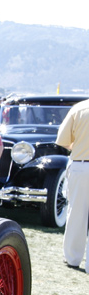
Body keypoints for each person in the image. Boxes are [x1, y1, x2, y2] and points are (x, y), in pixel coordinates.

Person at [55, 99, 89, 272]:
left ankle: (73, 258)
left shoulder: (80, 108)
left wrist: (76, 146)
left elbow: (62, 140)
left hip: (81, 164)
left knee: (76, 212)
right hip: (80, 163)